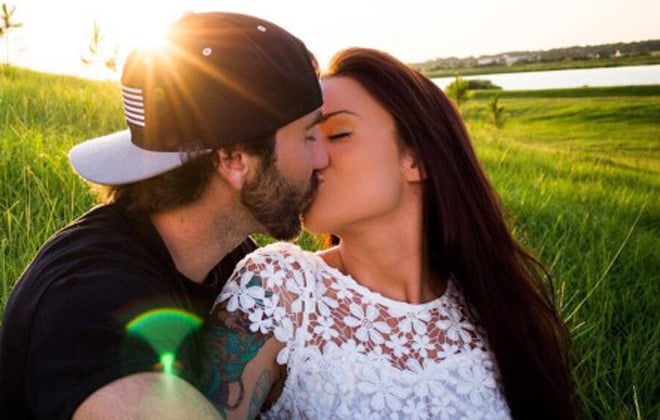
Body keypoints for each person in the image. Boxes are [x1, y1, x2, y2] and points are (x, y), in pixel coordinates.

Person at [0, 12, 331, 419]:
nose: (322, 157)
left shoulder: (231, 261)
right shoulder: (87, 296)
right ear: (234, 159)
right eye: (308, 135)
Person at [203, 48, 576, 419]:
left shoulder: (492, 309)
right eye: (306, 138)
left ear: (417, 158)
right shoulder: (278, 288)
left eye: (339, 133)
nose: (314, 159)